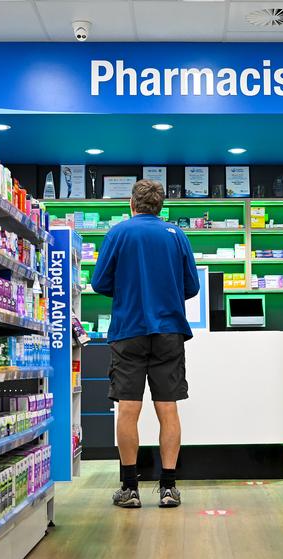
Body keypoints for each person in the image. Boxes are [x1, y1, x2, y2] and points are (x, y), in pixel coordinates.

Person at [90, 179, 200, 509]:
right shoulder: (176, 235)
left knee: (128, 409)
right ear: (161, 206)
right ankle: (168, 488)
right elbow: (192, 286)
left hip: (128, 331)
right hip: (169, 331)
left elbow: (98, 283)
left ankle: (129, 488)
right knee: (168, 408)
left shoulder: (118, 233)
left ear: (132, 204)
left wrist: (127, 290)